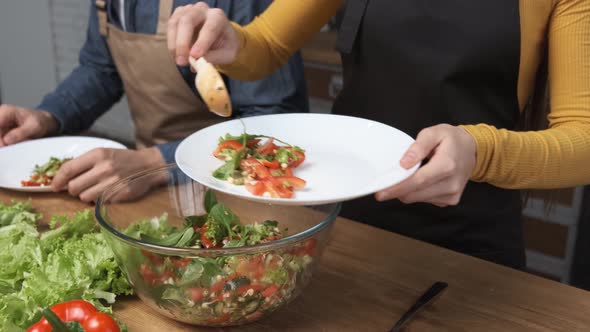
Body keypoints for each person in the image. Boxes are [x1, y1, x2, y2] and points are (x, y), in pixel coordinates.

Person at [167, 0, 590, 269]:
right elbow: (268, 44)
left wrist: (480, 151)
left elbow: (584, 139)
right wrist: (231, 41)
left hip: (469, 244)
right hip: (350, 226)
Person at [0, 0, 308, 203]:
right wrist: (48, 115)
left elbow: (274, 119)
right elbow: (101, 69)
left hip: (235, 193)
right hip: (145, 189)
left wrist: (155, 162)